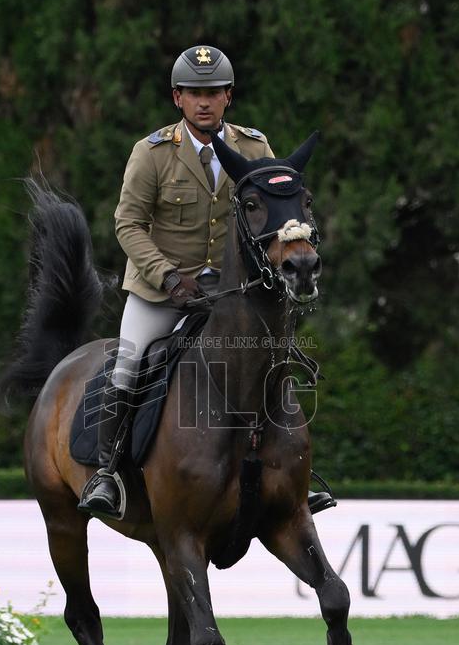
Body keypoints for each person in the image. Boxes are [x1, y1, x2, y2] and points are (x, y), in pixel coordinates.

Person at [78, 45, 333, 519]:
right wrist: (169, 277)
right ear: (177, 98)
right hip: (164, 291)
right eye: (194, 93)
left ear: (228, 97)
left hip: (234, 292)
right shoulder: (151, 153)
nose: (204, 102)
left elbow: (277, 216)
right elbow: (128, 225)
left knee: (276, 365)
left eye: (213, 92)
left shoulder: (255, 148)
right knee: (127, 367)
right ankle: (107, 472)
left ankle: (296, 477)